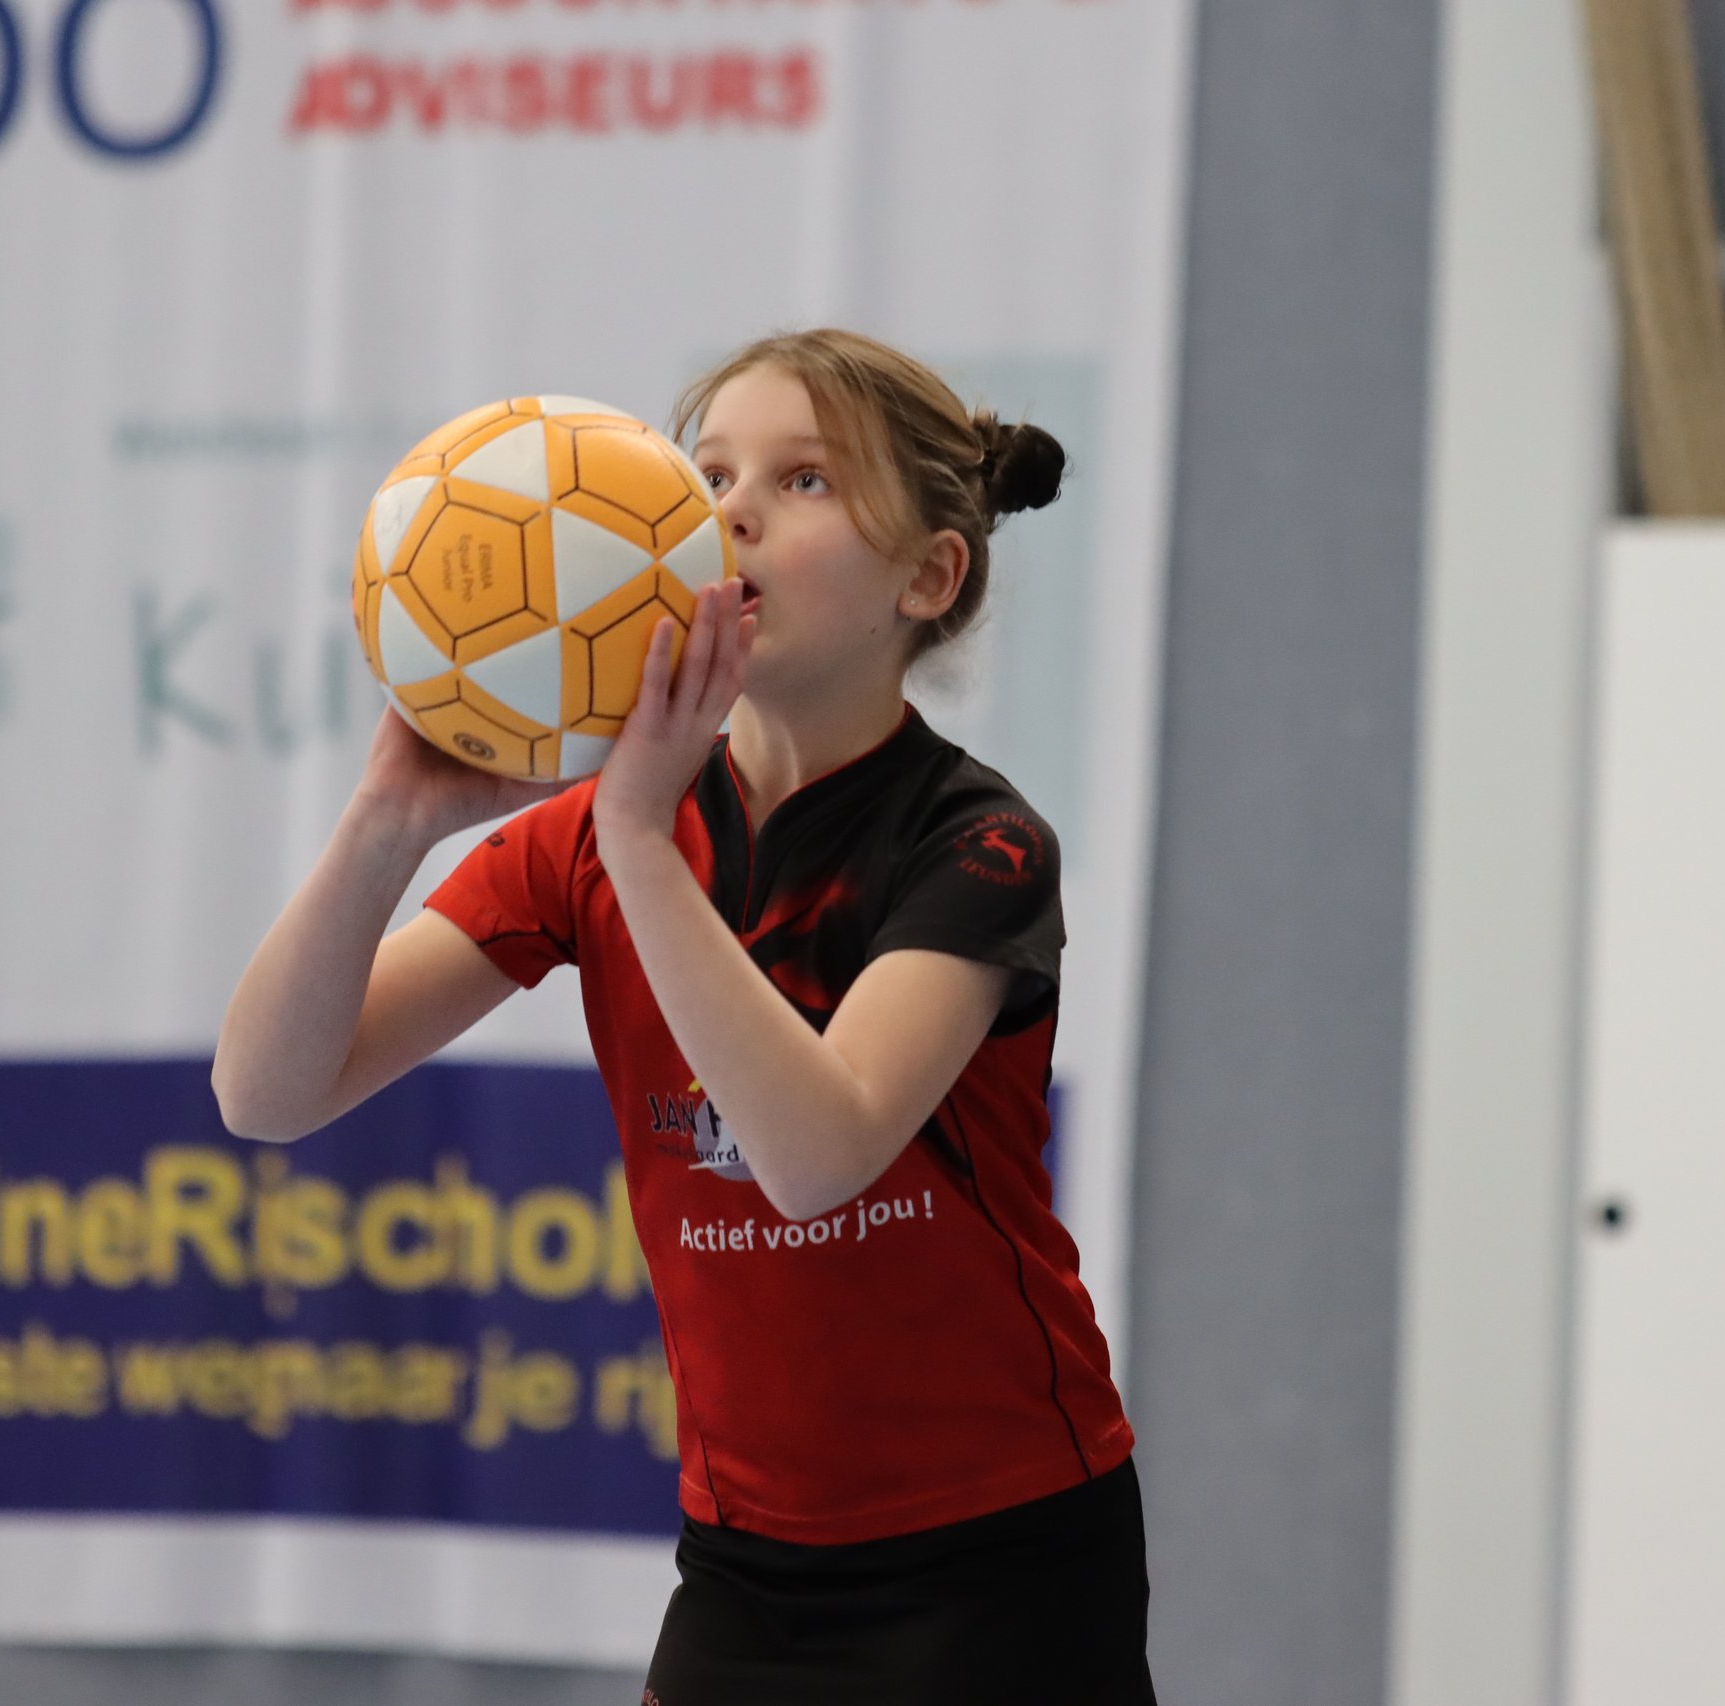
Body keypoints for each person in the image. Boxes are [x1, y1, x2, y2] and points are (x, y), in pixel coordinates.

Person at [214, 329, 1153, 1705]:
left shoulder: (978, 845)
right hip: (745, 1558)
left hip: (1000, 1549)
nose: (733, 511)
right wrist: (387, 822)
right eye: (710, 474)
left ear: (928, 576)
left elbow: (816, 1155)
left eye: (804, 479)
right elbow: (267, 1091)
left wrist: (641, 840)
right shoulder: (603, 836)